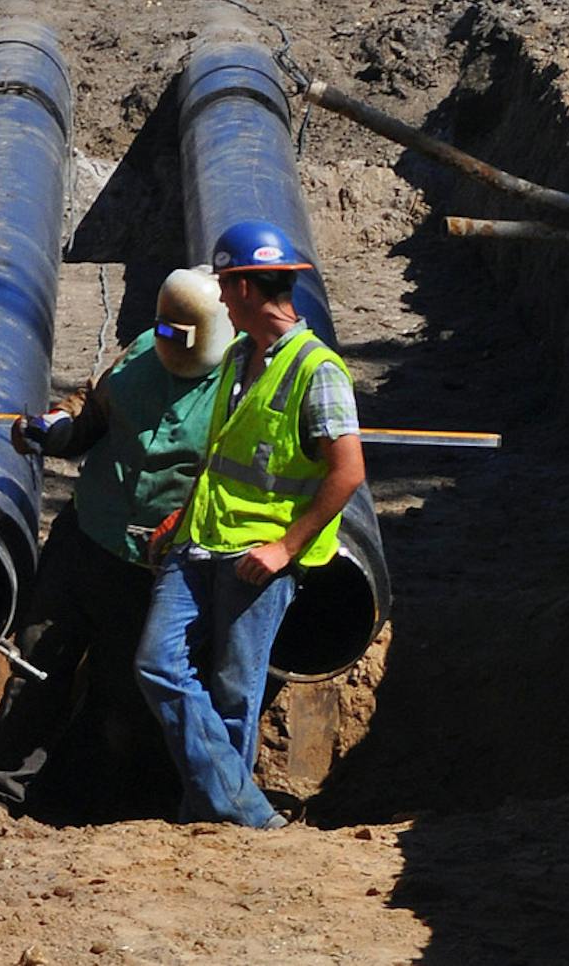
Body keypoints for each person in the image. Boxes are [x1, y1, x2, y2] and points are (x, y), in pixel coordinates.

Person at [0, 266, 233, 821]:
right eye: (165, 330)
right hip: (85, 541)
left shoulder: (240, 388)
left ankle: (107, 810)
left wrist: (185, 524)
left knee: (125, 695)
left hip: (151, 569)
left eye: (181, 336)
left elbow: (238, 483)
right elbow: (88, 416)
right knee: (38, 666)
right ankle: (3, 796)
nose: (168, 343)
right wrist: (52, 430)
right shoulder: (141, 352)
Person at [134, 219, 365, 830]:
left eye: (223, 286)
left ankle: (214, 822)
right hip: (201, 539)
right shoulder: (239, 355)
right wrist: (184, 517)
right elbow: (225, 458)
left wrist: (286, 548)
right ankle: (246, 812)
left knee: (237, 694)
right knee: (157, 663)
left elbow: (347, 472)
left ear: (240, 289)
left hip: (259, 557)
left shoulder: (318, 370)